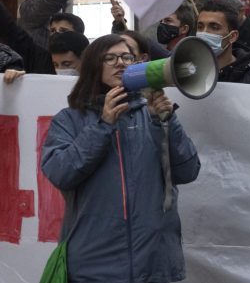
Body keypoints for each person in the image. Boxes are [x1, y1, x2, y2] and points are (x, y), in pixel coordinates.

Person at [40, 34, 200, 283]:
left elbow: (188, 172)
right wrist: (103, 125)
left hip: (155, 265)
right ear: (94, 65)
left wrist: (167, 121)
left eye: (127, 57)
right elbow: (61, 173)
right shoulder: (69, 120)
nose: (120, 63)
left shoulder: (152, 115)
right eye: (110, 58)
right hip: (94, 268)